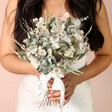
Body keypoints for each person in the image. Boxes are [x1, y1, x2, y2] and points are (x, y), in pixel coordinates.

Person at [0, 0, 112, 112]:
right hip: (32, 101)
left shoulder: (93, 2)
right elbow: (6, 56)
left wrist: (77, 78)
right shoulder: (17, 2)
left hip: (78, 101)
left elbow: (106, 54)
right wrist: (37, 70)